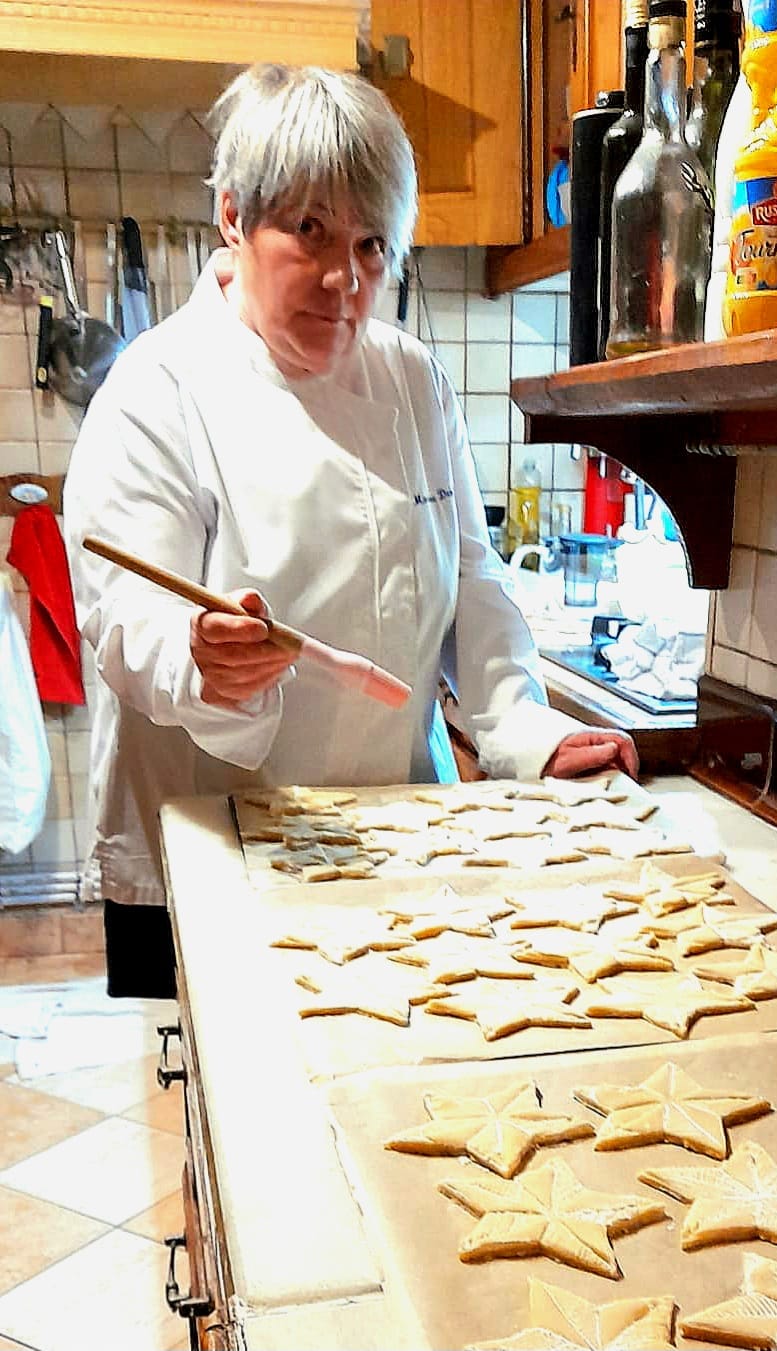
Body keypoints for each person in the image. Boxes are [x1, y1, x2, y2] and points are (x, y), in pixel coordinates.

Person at [64, 64, 638, 1000]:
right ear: (233, 217)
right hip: (209, 847)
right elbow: (128, 619)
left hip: (391, 835)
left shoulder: (411, 379)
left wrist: (520, 725)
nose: (345, 279)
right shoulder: (155, 389)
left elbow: (470, 577)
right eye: (310, 230)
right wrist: (200, 657)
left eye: (372, 244)